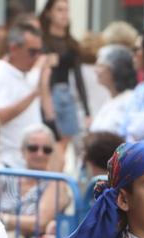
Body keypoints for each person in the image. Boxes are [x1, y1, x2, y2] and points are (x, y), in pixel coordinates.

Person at [0, 22, 51, 168]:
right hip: (10, 164)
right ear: (13, 48)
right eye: (32, 52)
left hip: (31, 162)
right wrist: (32, 96)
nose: (37, 57)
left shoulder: (26, 74)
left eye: (40, 51)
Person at [40, 0, 91, 155]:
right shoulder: (42, 41)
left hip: (65, 92)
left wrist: (87, 111)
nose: (64, 15)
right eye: (59, 10)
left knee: (66, 140)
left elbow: (79, 78)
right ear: (49, 13)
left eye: (66, 10)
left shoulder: (71, 44)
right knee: (49, 138)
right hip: (46, 93)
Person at [87, 45, 137, 136]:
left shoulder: (130, 100)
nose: (95, 70)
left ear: (116, 69)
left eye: (101, 66)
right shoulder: (111, 98)